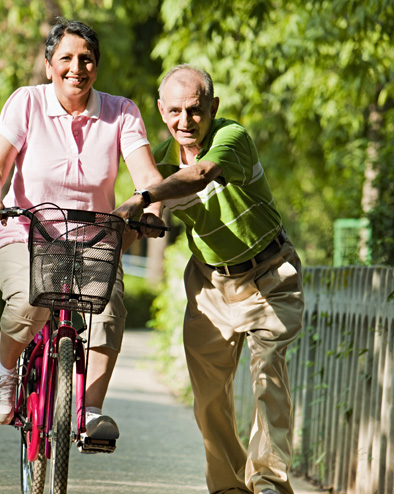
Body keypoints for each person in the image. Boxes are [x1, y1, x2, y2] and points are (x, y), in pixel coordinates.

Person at [114, 65, 305, 494]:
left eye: (196, 110)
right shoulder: (160, 160)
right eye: (176, 111)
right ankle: (229, 488)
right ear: (162, 111)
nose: (186, 122)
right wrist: (137, 221)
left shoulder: (231, 137)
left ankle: (270, 481)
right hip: (209, 286)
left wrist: (144, 196)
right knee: (208, 400)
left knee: (268, 376)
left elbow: (197, 176)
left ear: (212, 107)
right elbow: (150, 211)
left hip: (270, 273)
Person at [0, 19, 164, 442]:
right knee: (31, 297)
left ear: (96, 67)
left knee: (109, 309)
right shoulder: (26, 103)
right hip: (24, 233)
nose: (76, 67)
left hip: (92, 240)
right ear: (48, 65)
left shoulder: (121, 113)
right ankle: (5, 372)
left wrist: (150, 205)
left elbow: (148, 177)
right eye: (66, 58)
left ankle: (91, 410)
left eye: (86, 59)